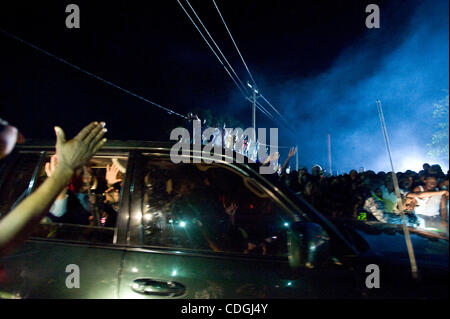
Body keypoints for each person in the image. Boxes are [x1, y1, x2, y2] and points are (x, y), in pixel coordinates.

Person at [0, 121, 107, 257]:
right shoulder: (33, 192)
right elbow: (13, 233)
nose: (19, 136)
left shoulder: (80, 197)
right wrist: (64, 170)